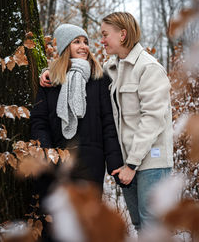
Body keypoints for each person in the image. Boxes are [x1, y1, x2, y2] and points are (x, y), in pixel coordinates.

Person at [100, 12, 173, 231]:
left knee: (152, 225)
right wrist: (48, 73)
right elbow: (81, 71)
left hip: (151, 162)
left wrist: (132, 164)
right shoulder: (111, 68)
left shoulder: (149, 68)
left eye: (105, 35)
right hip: (126, 163)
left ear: (122, 34)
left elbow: (152, 119)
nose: (101, 40)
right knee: (140, 225)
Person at [31, 23, 124, 193]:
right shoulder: (51, 81)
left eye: (85, 42)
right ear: (66, 47)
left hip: (91, 161)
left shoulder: (99, 79)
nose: (84, 47)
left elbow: (109, 124)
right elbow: (39, 122)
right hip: (58, 160)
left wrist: (115, 163)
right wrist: (48, 155)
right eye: (77, 42)